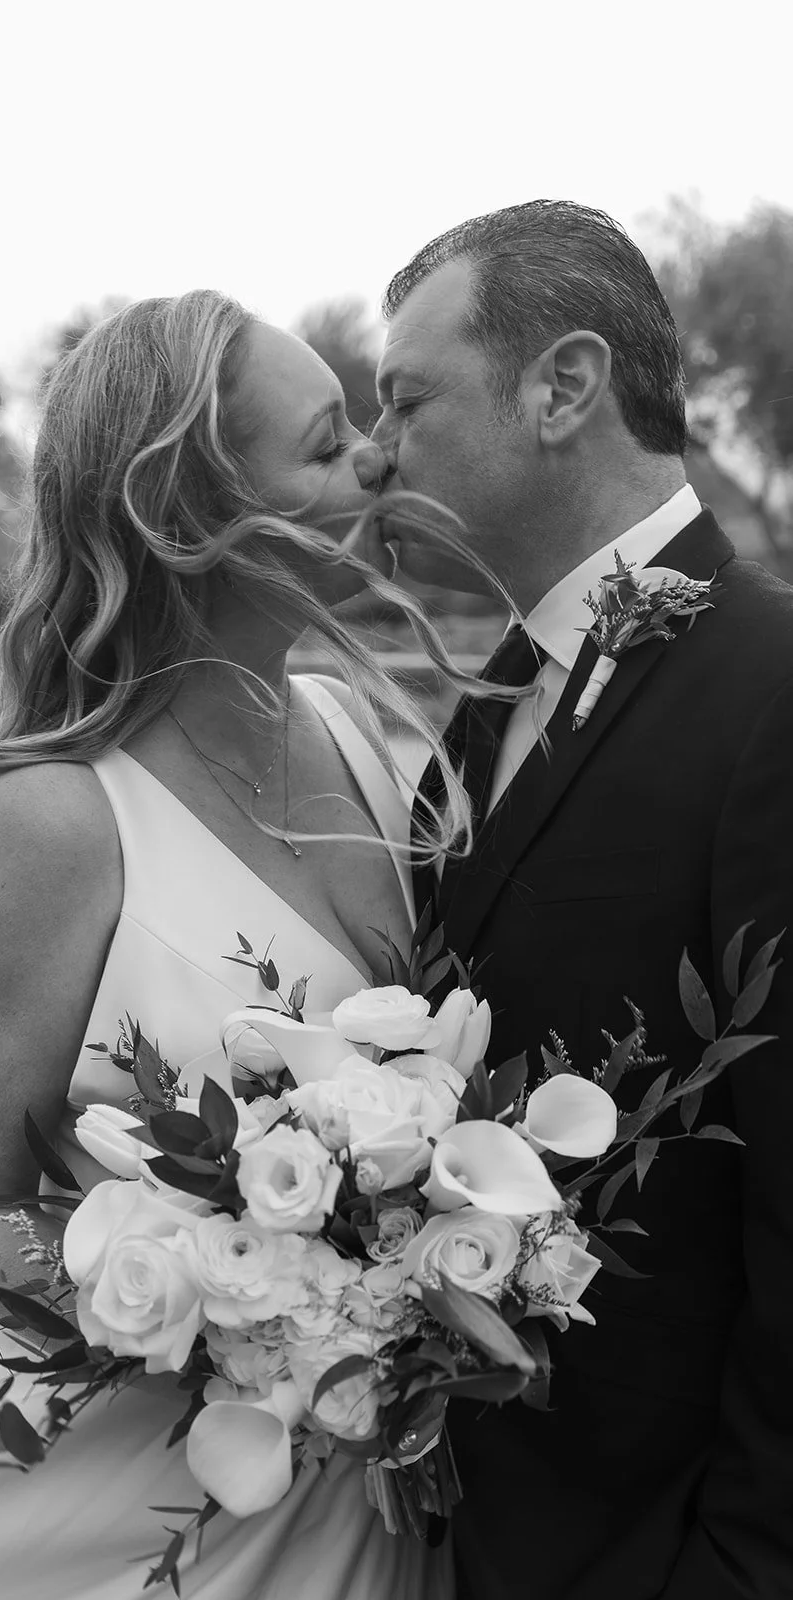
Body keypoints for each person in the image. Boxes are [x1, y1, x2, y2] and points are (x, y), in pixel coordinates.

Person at [0, 292, 474, 1599]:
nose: (371, 463)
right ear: (187, 519)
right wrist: (248, 1314)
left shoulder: (347, 728)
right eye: (319, 444)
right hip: (108, 1478)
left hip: (350, 1463)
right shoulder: (52, 822)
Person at [364, 200, 793, 1600]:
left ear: (562, 387)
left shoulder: (772, 685)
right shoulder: (489, 703)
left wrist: (740, 1564)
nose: (376, 453)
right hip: (472, 1521)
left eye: (407, 400)